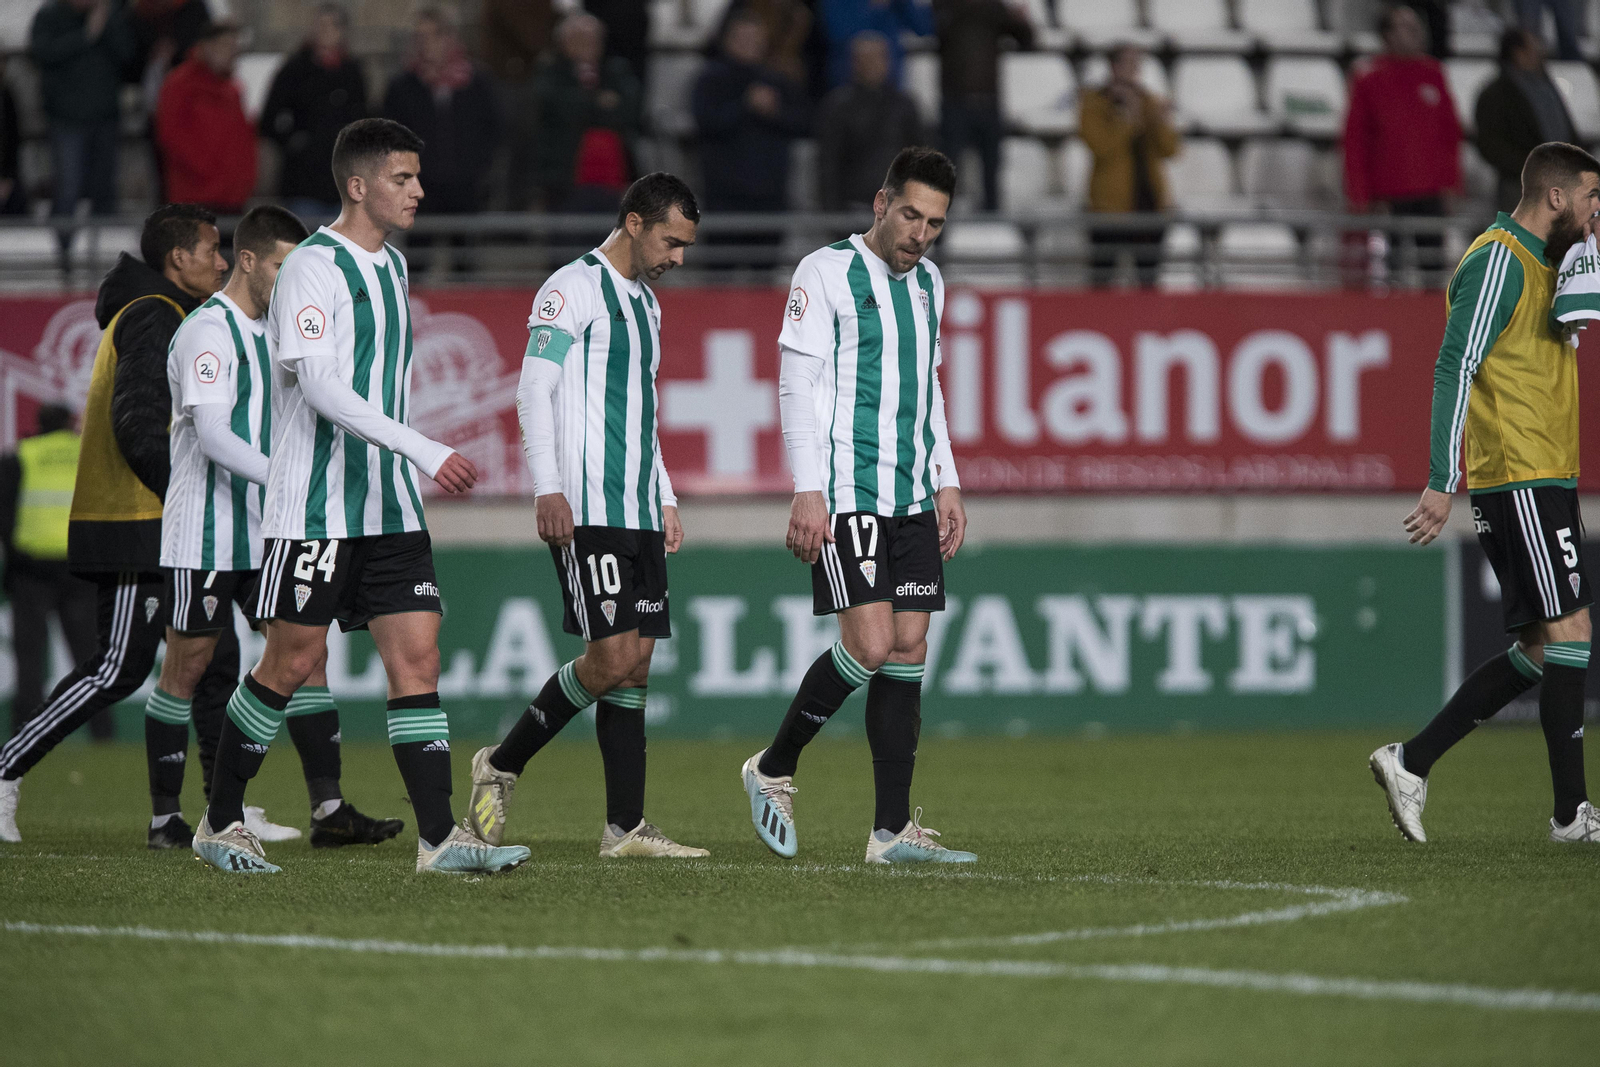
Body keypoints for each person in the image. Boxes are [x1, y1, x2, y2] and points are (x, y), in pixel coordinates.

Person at [189, 118, 531, 875]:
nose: (418, 190)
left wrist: (407, 462)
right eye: (402, 178)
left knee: (418, 658)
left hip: (387, 507)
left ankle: (439, 839)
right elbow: (319, 386)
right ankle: (218, 821)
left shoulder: (395, 267)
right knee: (291, 660)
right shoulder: (313, 266)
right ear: (358, 184)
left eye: (416, 177)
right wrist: (424, 446)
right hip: (315, 504)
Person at [741, 147, 974, 864]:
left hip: (911, 495)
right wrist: (807, 488)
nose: (920, 234)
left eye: (934, 223)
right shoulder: (825, 272)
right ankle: (774, 766)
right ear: (881, 204)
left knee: (910, 649)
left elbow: (928, 390)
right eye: (910, 215)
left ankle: (891, 831)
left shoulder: (930, 283)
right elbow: (794, 386)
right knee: (871, 645)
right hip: (848, 495)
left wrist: (948, 477)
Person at [467, 173, 708, 860]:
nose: (678, 258)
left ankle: (624, 827)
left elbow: (642, 411)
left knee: (635, 663)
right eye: (671, 241)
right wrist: (547, 486)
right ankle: (502, 764)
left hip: (636, 505)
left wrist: (664, 493)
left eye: (686, 246)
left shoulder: (648, 306)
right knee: (607, 659)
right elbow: (531, 391)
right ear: (634, 222)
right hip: (586, 505)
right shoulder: (571, 288)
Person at [149, 204, 404, 851]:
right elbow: (212, 436)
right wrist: (289, 477)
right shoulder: (209, 330)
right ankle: (165, 818)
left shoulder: (283, 332)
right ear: (249, 261)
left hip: (271, 526)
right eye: (286, 267)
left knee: (306, 655)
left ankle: (330, 808)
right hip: (205, 527)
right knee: (189, 664)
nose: (297, 282)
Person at [1380, 141, 1600, 846]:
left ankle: (1410, 761)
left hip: (1545, 475)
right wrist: (1442, 482)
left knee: (1541, 649)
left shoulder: (1546, 264)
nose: (1599, 214)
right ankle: (1571, 816)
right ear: (1557, 196)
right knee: (1572, 633)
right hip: (1519, 472)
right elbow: (1456, 362)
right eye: (1593, 199)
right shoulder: (1498, 260)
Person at [0, 203, 235, 845]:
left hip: (166, 520)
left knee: (216, 661)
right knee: (115, 669)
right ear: (177, 258)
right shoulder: (154, 317)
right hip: (140, 520)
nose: (223, 260)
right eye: (213, 248)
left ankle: (220, 815)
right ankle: (4, 770)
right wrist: (184, 493)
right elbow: (137, 424)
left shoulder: (170, 314)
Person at [0, 405, 100, 741]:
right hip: (79, 569)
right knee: (90, 660)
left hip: (32, 570)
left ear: (39, 424)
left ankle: (24, 737)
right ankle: (104, 735)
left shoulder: (22, 456)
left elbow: (5, 514)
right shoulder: (86, 455)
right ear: (71, 422)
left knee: (29, 659)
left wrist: (14, 558)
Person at [1343, 5, 1461, 283]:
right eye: (1407, 28)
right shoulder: (1368, 78)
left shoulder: (1434, 74)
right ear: (1387, 35)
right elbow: (1355, 141)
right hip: (1387, 195)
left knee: (1433, 271)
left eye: (1417, 28)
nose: (1416, 34)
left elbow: (1449, 136)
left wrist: (1452, 185)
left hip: (1431, 192)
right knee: (1390, 273)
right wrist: (1361, 195)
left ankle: (1434, 325)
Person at [382, 8, 501, 264]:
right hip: (418, 191)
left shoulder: (477, 83)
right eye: (420, 37)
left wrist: (479, 170)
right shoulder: (403, 86)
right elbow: (388, 137)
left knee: (466, 264)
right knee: (415, 263)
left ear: (450, 37)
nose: (426, 44)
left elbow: (493, 131)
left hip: (466, 189)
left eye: (434, 35)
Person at [692, 13, 810, 268]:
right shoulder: (711, 80)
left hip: (770, 197)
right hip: (724, 197)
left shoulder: (778, 80)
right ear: (727, 41)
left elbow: (803, 123)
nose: (748, 44)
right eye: (741, 38)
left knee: (765, 277)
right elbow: (705, 123)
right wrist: (745, 106)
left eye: (754, 39)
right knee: (718, 278)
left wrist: (774, 112)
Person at [28, 0, 136, 250]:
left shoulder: (112, 15)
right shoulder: (49, 16)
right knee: (68, 189)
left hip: (106, 119)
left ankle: (101, 260)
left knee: (104, 191)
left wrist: (107, 25)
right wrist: (86, 35)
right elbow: (42, 53)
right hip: (66, 121)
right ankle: (63, 256)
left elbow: (128, 55)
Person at [1079, 43, 1177, 288]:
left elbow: (1170, 149)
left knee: (1148, 284)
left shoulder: (1148, 101)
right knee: (1102, 283)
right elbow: (1099, 146)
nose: (1135, 70)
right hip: (1109, 208)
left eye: (1138, 65)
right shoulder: (1094, 104)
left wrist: (1161, 120)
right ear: (1114, 67)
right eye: (1130, 64)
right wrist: (1126, 120)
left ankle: (1149, 327)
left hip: (1149, 205)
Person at [260, 4, 370, 219]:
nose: (326, 31)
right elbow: (269, 118)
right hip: (304, 182)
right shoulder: (295, 69)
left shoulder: (353, 72)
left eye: (333, 26)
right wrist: (295, 142)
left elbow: (363, 120)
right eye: (321, 25)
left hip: (343, 183)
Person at [530, 13, 642, 213]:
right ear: (563, 42)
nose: (588, 44)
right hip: (564, 176)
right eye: (580, 38)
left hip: (614, 178)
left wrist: (587, 105)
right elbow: (560, 111)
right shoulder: (551, 72)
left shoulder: (617, 70)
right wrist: (598, 101)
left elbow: (629, 110)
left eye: (594, 38)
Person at [934, 0, 1032, 213]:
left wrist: (1023, 22)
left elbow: (1026, 41)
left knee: (992, 171)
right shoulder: (944, 6)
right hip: (955, 102)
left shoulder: (993, 8)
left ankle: (993, 222)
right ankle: (939, 230)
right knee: (945, 172)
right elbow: (928, 30)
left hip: (987, 102)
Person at [154, 21, 257, 214]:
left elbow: (242, 141)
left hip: (232, 199)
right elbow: (170, 135)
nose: (232, 53)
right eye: (226, 45)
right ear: (206, 46)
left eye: (235, 47)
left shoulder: (233, 89)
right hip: (195, 199)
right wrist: (205, 171)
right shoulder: (180, 84)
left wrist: (245, 180)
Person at [816, 31, 924, 212]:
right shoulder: (837, 106)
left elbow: (921, 159)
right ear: (854, 63)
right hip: (852, 208)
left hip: (897, 208)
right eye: (864, 59)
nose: (871, 65)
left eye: (877, 58)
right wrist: (832, 213)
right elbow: (829, 164)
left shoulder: (904, 106)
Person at [1476, 28, 1577, 213]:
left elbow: (1565, 128)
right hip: (1520, 189)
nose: (1540, 51)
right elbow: (1490, 144)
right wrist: (1531, 167)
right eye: (1534, 46)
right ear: (1517, 53)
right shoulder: (1496, 94)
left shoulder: (1547, 87)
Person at [819, 0, 932, 90]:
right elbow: (836, 32)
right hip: (848, 81)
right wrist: (873, 8)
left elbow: (924, 27)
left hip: (892, 81)